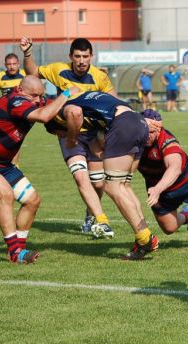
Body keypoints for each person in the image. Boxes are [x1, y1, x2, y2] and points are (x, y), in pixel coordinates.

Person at [0, 76, 80, 264]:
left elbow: (53, 110)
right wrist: (65, 94)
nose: (38, 100)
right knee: (5, 195)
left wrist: (75, 111)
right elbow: (44, 115)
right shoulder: (14, 101)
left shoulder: (32, 99)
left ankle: (19, 249)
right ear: (20, 89)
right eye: (34, 96)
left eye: (41, 95)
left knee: (32, 200)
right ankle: (15, 252)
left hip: (2, 164)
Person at [20, 36, 116, 239]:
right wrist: (27, 53)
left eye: (85, 56)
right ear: (70, 56)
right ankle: (101, 221)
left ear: (91, 57)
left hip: (92, 134)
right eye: (77, 56)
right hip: (68, 134)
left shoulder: (99, 77)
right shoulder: (59, 69)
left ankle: (90, 216)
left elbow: (114, 102)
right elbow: (33, 73)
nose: (81, 61)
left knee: (98, 183)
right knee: (82, 177)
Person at [56, 91, 159, 260]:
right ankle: (143, 240)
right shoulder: (91, 97)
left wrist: (71, 140)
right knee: (124, 186)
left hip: (124, 125)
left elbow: (74, 113)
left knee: (112, 187)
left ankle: (145, 238)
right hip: (138, 122)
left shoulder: (66, 107)